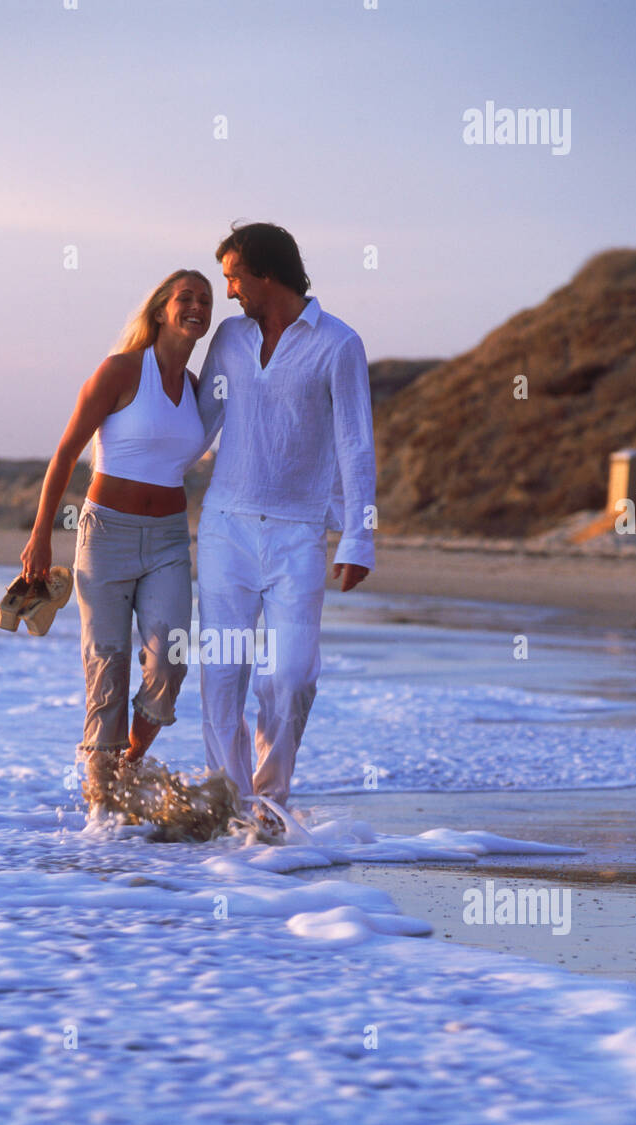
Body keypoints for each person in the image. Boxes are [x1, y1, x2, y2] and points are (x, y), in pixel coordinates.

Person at [196, 223, 376, 812]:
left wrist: (359, 538)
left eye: (233, 277)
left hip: (300, 534)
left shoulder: (338, 343)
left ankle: (269, 803)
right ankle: (231, 804)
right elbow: (197, 428)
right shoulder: (227, 339)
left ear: (265, 273)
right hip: (225, 527)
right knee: (223, 677)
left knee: (290, 676)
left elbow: (356, 445)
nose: (228, 292)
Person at [21, 269, 212, 812]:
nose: (197, 306)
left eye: (206, 299)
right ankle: (104, 817)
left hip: (171, 539)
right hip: (106, 535)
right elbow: (65, 453)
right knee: (107, 666)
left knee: (170, 660)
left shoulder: (196, 388)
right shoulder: (121, 370)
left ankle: (126, 764)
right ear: (160, 309)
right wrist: (41, 536)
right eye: (185, 298)